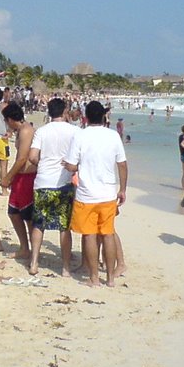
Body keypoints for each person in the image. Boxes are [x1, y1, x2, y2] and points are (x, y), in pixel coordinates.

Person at [63, 101, 127, 287]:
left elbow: (72, 164)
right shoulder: (113, 135)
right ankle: (110, 278)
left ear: (86, 117)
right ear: (104, 117)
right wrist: (122, 189)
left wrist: (68, 166)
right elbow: (122, 164)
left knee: (89, 235)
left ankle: (94, 278)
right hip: (108, 193)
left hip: (86, 194)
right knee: (107, 234)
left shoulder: (80, 135)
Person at [27, 97, 78, 277]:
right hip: (64, 182)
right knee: (64, 226)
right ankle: (65, 267)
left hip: (42, 183)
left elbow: (32, 157)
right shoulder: (74, 131)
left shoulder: (42, 131)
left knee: (39, 224)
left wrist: (43, 163)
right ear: (64, 111)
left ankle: (34, 263)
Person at [0, 101, 36, 260]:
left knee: (27, 216)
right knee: (14, 213)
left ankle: (32, 250)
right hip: (20, 177)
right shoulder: (20, 130)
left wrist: (7, 177)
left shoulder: (26, 131)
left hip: (27, 176)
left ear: (10, 119)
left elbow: (22, 159)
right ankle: (24, 247)